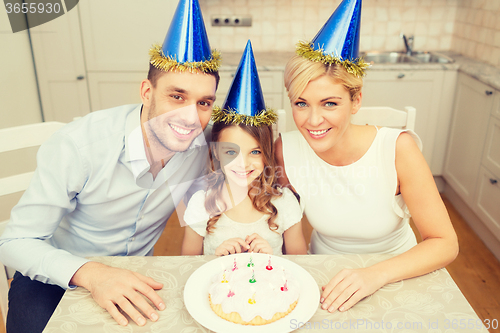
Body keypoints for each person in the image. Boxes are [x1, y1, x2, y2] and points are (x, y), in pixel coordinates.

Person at [0, 0, 220, 332]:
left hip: (135, 273)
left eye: (203, 103)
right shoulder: (78, 146)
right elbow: (14, 243)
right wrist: (92, 273)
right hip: (55, 273)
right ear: (147, 91)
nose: (191, 118)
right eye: (177, 96)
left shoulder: (203, 144)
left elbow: (256, 154)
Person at [275, 0, 458, 314]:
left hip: (398, 274)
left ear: (356, 100)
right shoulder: (286, 149)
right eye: (301, 104)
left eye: (329, 104)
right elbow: (266, 212)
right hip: (324, 275)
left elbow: (445, 242)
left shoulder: (398, 150)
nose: (312, 120)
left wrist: (376, 274)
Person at [181, 41, 307, 256]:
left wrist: (272, 258)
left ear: (267, 155)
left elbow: (300, 262)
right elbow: (185, 265)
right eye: (231, 152)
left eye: (255, 152)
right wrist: (214, 259)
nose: (243, 163)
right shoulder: (201, 205)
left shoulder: (284, 203)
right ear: (216, 154)